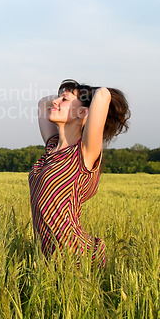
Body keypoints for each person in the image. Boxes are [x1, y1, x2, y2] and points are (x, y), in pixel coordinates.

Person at [28, 79, 130, 268]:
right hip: (47, 259)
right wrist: (69, 97)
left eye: (63, 100)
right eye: (58, 98)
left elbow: (103, 95)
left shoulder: (85, 152)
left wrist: (84, 95)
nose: (56, 102)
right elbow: (43, 103)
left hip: (76, 256)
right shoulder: (52, 147)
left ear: (83, 112)